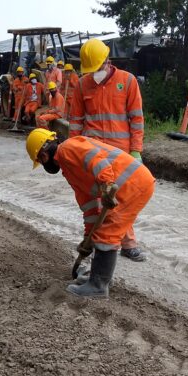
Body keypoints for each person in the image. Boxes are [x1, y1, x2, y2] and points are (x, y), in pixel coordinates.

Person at [25, 128, 155, 298]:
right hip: (128, 188)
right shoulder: (69, 169)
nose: (43, 165)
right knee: (101, 234)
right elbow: (89, 205)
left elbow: (97, 160)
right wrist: (88, 239)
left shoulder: (68, 148)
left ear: (43, 155)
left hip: (132, 186)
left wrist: (107, 184)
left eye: (40, 162)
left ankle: (98, 286)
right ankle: (99, 277)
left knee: (107, 234)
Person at [67, 39, 148, 262]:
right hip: (94, 153)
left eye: (97, 68)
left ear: (107, 60)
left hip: (121, 153)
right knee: (98, 200)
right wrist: (73, 149)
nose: (95, 73)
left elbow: (136, 119)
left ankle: (128, 244)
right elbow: (75, 121)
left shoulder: (127, 81)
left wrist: (136, 150)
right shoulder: (83, 85)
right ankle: (96, 240)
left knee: (121, 198)